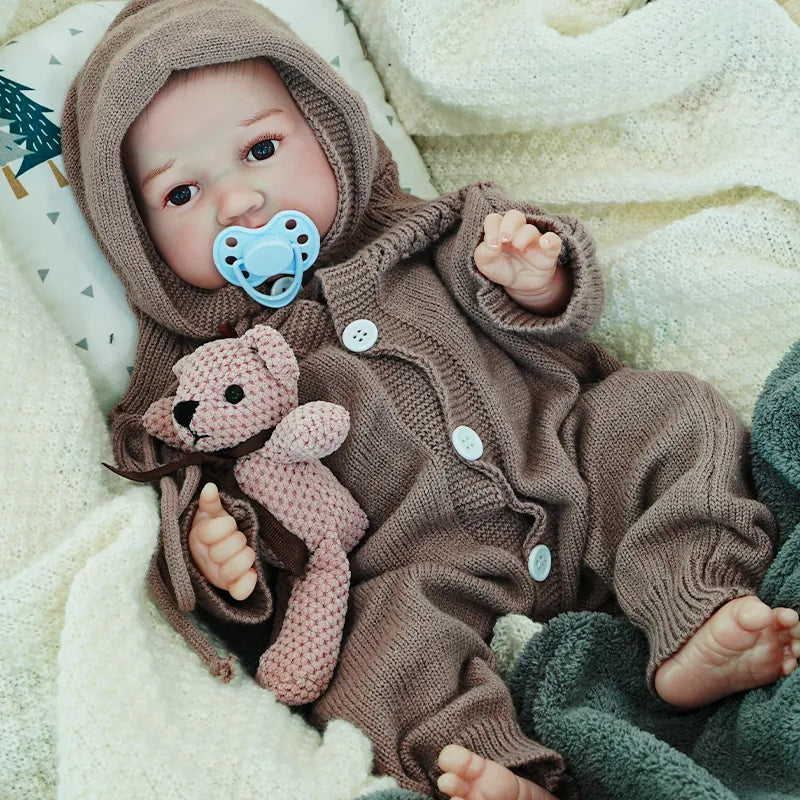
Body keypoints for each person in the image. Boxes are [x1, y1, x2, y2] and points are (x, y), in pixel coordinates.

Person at [61, 1, 800, 798]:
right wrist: (220, 558)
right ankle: (494, 769)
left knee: (671, 414)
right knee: (376, 664)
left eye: (262, 149)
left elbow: (556, 316)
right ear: (137, 243)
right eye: (181, 195)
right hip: (426, 573)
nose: (239, 203)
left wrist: (534, 276)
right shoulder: (197, 388)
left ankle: (693, 604)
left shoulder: (429, 235)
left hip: (572, 469)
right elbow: (229, 531)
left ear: (330, 135)